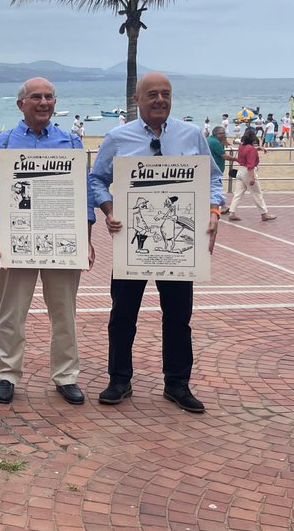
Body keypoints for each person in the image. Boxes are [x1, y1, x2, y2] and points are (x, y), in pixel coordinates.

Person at [89, 72, 222, 414]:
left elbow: (214, 179)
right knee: (122, 314)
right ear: (137, 99)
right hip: (133, 239)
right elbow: (97, 180)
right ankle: (119, 379)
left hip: (179, 242)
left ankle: (177, 383)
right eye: (152, 94)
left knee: (178, 315)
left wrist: (213, 211)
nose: (159, 99)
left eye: (165, 94)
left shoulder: (191, 135)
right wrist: (108, 209)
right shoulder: (118, 137)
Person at [0, 78, 94, 406]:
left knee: (64, 313)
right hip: (17, 241)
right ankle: (5, 374)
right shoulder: (2, 143)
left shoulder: (71, 143)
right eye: (36, 97)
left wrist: (86, 240)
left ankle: (66, 375)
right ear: (21, 104)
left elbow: (83, 196)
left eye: (48, 97)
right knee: (11, 313)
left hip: (62, 241)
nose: (43, 103)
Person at [227, 129, 277, 222]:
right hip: (248, 171)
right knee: (257, 194)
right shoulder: (251, 150)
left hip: (240, 171)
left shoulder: (241, 146)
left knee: (238, 194)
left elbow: (247, 151)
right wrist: (252, 177)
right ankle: (264, 213)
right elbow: (250, 165)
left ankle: (232, 212)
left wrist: (258, 148)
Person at [206, 124, 231, 214]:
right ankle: (222, 206)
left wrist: (224, 141)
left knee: (212, 186)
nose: (224, 135)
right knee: (216, 186)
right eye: (222, 133)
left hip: (210, 167)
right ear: (217, 134)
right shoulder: (215, 142)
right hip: (215, 168)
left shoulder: (211, 139)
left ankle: (222, 205)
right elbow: (224, 156)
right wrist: (236, 159)